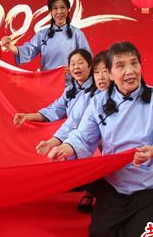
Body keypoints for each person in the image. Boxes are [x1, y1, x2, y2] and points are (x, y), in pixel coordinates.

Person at [47, 42, 153, 237]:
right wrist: (64, 148)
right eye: (120, 66)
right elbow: (83, 136)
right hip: (116, 180)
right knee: (101, 233)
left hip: (151, 181)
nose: (130, 71)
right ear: (110, 74)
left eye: (134, 63)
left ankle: (149, 213)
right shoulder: (98, 101)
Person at [35, 51, 110, 212]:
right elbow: (78, 127)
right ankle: (89, 192)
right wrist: (56, 144)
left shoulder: (106, 94)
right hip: (94, 140)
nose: (101, 76)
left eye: (80, 62)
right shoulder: (76, 92)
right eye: (73, 63)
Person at [0, 0, 92, 77]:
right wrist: (9, 46)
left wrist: (73, 69)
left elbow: (87, 60)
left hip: (72, 84)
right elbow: (28, 51)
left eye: (62, 7)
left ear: (68, 10)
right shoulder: (42, 35)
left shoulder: (77, 34)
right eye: (55, 8)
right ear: (50, 12)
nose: (59, 12)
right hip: (49, 82)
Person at [13, 49, 92, 127]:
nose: (76, 67)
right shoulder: (69, 90)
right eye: (73, 64)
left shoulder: (96, 89)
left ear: (90, 66)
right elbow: (54, 110)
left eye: (80, 63)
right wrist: (27, 117)